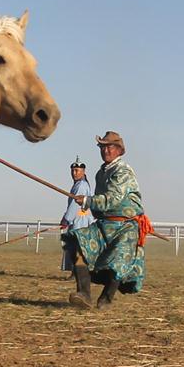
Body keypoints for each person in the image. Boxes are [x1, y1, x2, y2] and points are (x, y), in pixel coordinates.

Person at [62, 131, 154, 310]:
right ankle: (84, 294)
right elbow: (100, 204)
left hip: (125, 226)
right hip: (105, 224)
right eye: (102, 146)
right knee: (76, 242)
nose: (105, 150)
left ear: (119, 150)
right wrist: (91, 205)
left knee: (117, 263)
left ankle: (106, 298)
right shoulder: (100, 174)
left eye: (110, 146)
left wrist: (87, 201)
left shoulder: (123, 172)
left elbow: (113, 199)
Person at [59, 156, 94, 275]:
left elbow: (75, 205)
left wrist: (66, 219)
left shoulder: (81, 186)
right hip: (79, 219)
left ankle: (77, 273)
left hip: (80, 220)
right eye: (73, 171)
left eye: (77, 170)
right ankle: (76, 272)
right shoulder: (78, 184)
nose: (74, 173)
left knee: (78, 247)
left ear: (83, 172)